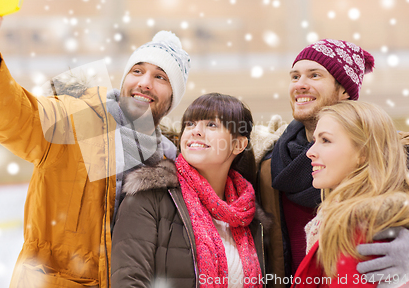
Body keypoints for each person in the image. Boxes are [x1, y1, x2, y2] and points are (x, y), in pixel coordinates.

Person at [0, 0, 191, 288]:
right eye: (137, 71)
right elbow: (15, 118)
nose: (144, 82)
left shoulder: (170, 166)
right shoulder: (76, 121)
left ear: (172, 98)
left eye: (160, 77)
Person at [256, 38, 409, 286]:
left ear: (345, 90)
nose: (300, 85)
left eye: (314, 75)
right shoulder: (269, 162)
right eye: (294, 77)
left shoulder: (395, 156)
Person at [111, 93, 273, 288]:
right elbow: (129, 281)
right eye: (190, 124)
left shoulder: (250, 218)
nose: (195, 131)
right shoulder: (148, 198)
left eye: (211, 125)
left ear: (238, 144)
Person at [291, 101, 409, 287]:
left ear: (363, 151)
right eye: (314, 141)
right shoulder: (344, 217)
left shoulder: (360, 222)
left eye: (326, 140)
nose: (310, 152)